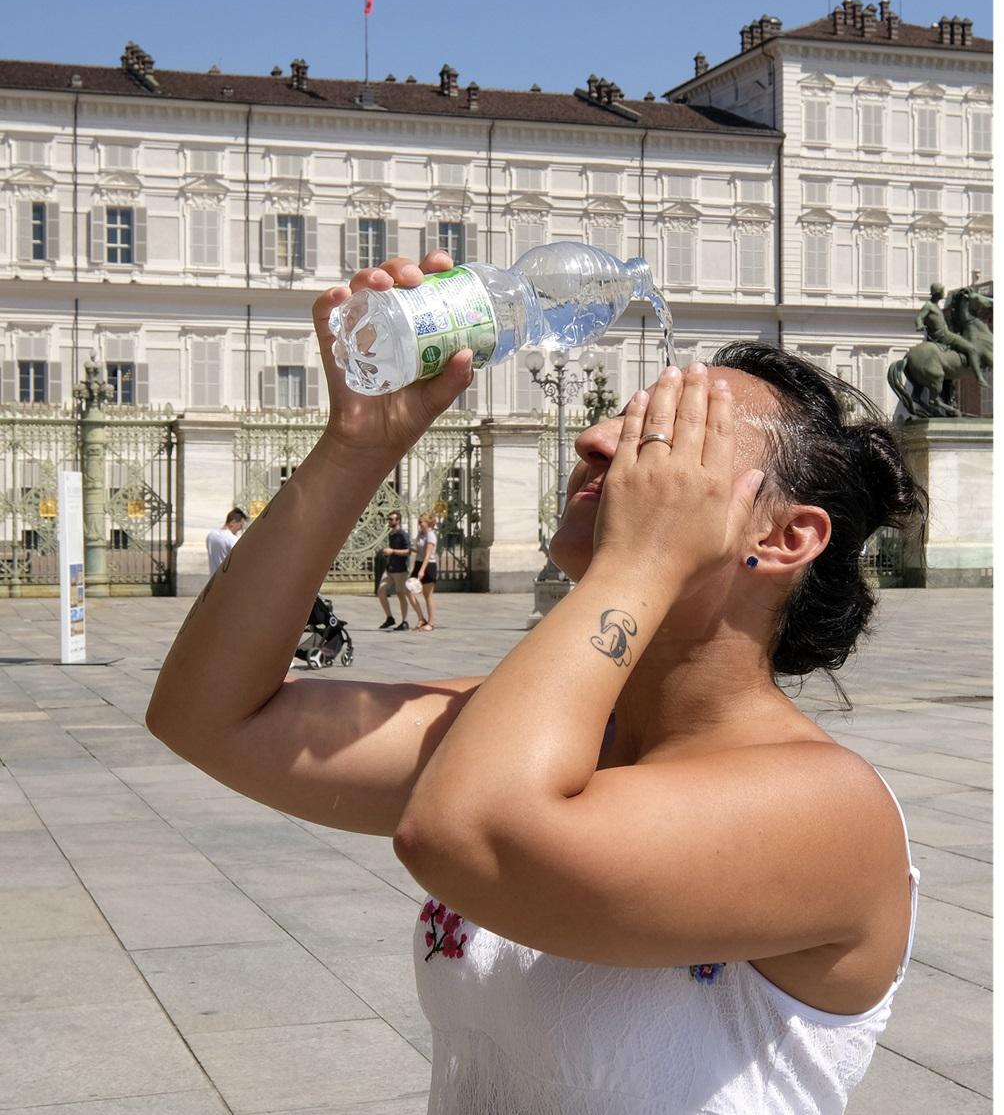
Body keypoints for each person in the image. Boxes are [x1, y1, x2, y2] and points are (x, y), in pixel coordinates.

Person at [146, 252, 926, 1114]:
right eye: (621, 419)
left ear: (785, 537)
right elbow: (209, 717)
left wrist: (639, 559)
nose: (598, 441)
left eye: (664, 438)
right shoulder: (532, 738)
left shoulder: (829, 809)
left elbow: (466, 833)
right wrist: (356, 447)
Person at [375, 510, 413, 630]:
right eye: (389, 519)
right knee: (381, 590)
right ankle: (389, 617)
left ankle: (405, 621)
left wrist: (393, 551)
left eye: (391, 519)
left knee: (401, 594)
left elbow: (408, 551)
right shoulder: (391, 534)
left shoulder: (403, 535)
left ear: (398, 521)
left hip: (400, 569)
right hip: (390, 568)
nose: (389, 521)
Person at [413, 512, 440, 630]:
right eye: (419, 521)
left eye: (421, 521)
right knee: (408, 590)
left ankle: (431, 622)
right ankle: (421, 618)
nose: (419, 524)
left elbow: (428, 555)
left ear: (428, 523)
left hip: (428, 565)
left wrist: (422, 570)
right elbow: (418, 550)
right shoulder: (421, 534)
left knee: (427, 595)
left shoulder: (431, 535)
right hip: (418, 563)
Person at [206, 508, 248, 576]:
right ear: (233, 522)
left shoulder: (211, 535)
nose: (240, 529)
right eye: (240, 525)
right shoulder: (232, 539)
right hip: (227, 581)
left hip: (213, 581)